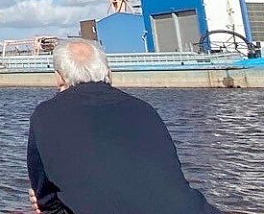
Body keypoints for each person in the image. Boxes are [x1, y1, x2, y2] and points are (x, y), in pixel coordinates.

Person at [27, 38, 221, 214]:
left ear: (58, 77)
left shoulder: (45, 115)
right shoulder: (144, 109)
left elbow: (45, 198)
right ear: (109, 74)